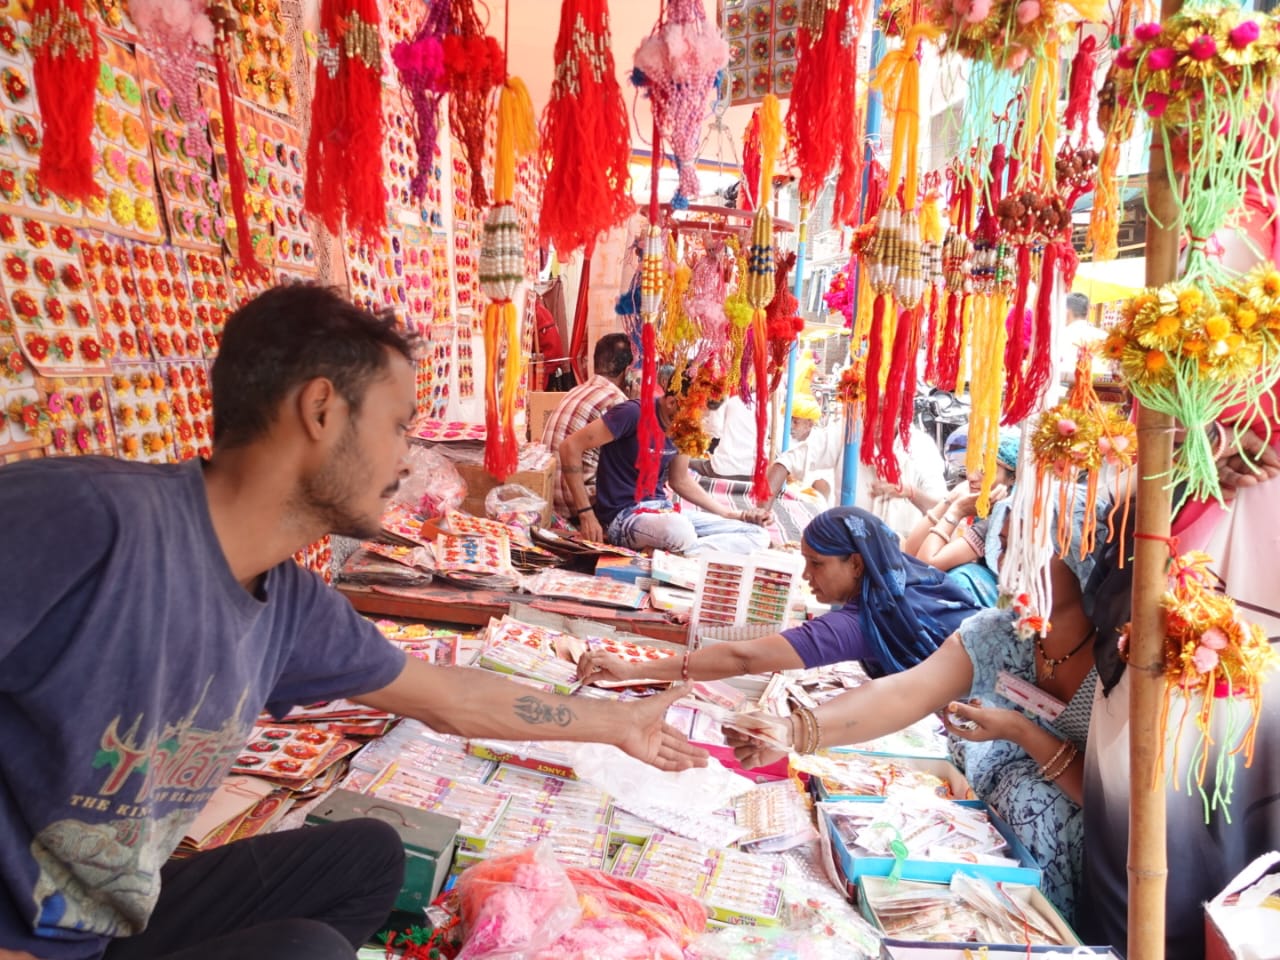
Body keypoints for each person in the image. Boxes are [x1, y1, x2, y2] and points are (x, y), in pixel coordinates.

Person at [0, 286, 705, 960]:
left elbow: (450, 696)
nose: (407, 458)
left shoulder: (287, 601)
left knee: (369, 856)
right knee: (307, 953)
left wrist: (615, 723)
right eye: (397, 426)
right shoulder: (84, 521)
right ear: (320, 411)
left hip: (102, 924)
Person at [727, 498, 1107, 925]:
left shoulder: (1121, 667)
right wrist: (792, 730)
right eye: (1004, 543)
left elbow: (1115, 805)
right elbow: (903, 694)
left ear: (1082, 556)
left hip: (1099, 876)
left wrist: (1021, 730)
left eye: (1029, 547)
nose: (1009, 561)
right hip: (1003, 860)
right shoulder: (1000, 634)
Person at [578, 506, 984, 687]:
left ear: (857, 564)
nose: (806, 576)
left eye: (817, 564)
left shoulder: (864, 623)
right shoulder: (909, 583)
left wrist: (634, 670)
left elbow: (744, 658)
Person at [558, 370, 771, 555]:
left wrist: (730, 515)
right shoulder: (633, 413)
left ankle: (677, 554)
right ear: (671, 403)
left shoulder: (684, 428)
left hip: (664, 512)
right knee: (680, 531)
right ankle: (680, 551)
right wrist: (586, 514)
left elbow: (680, 480)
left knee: (758, 535)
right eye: (696, 416)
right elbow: (570, 447)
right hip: (623, 517)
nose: (698, 423)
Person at [900, 427, 1019, 606]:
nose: (971, 476)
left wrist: (957, 510)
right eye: (970, 465)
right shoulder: (979, 509)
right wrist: (950, 499)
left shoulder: (1003, 519)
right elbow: (911, 551)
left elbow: (925, 565)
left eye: (983, 469)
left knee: (960, 577)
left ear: (1012, 478)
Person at [542, 333, 632, 518]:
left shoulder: (575, 391)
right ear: (628, 371)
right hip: (582, 504)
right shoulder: (617, 402)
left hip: (551, 499)